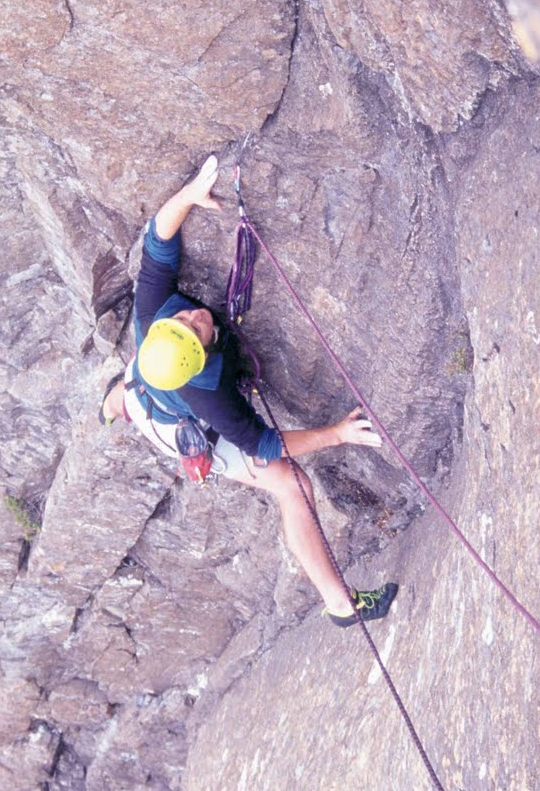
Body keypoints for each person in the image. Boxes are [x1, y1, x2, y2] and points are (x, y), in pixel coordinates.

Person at [100, 155, 397, 627]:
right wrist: (337, 434)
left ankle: (113, 402)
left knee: (132, 387)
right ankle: (342, 607)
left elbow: (158, 240)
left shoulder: (153, 317)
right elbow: (265, 444)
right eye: (194, 328)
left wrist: (189, 196)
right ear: (198, 359)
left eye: (184, 320)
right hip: (176, 424)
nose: (196, 317)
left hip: (144, 380)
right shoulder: (208, 396)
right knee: (292, 485)